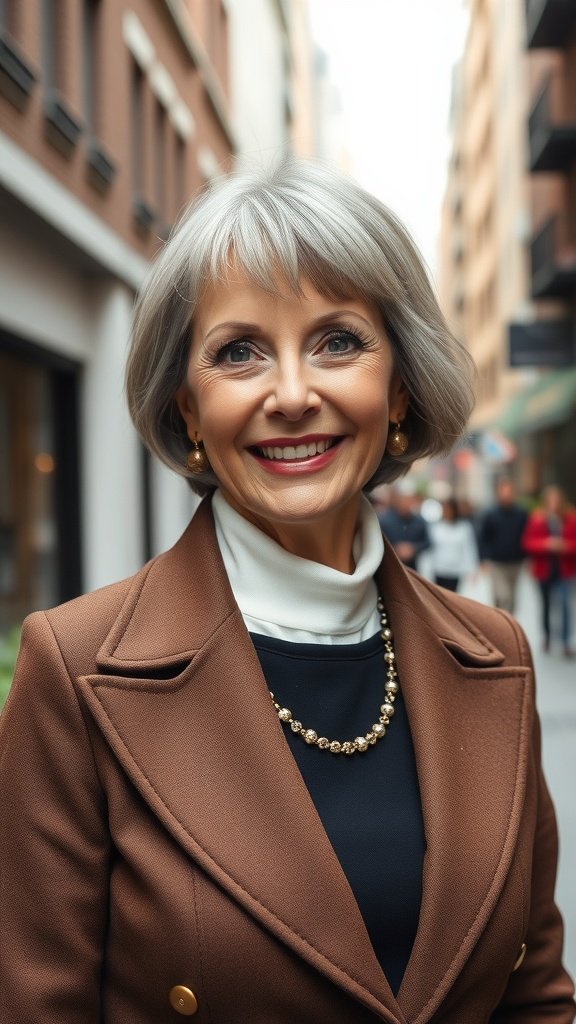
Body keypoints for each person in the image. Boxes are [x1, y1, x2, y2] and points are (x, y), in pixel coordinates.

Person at [1, 161, 574, 1024]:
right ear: (189, 409)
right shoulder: (75, 670)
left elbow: (534, 994)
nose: (294, 394)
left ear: (401, 387)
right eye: (239, 352)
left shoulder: (499, 655)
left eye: (338, 340)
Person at [523, 485, 576, 658]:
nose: (553, 504)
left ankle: (566, 641)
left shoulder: (570, 518)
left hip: (564, 570)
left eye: (556, 500)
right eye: (550, 500)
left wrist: (565, 547)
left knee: (564, 605)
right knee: (545, 605)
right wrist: (546, 544)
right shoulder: (537, 518)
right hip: (544, 570)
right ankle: (547, 636)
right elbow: (528, 542)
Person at [478, 479, 527, 614]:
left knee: (511, 598)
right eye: (503, 492)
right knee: (502, 595)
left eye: (509, 492)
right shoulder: (491, 514)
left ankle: (508, 625)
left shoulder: (521, 514)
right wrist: (483, 559)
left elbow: (526, 536)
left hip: (516, 562)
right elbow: (483, 538)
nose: (506, 495)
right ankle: (502, 623)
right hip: (496, 562)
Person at [428, 497, 478, 592]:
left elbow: (469, 549)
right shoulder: (435, 528)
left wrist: (472, 570)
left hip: (455, 571)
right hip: (439, 569)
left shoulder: (464, 528)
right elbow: (430, 549)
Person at [377, 481, 430, 570]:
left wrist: (413, 548)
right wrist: (395, 549)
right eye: (404, 500)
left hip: (412, 568)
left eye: (409, 500)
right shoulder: (384, 520)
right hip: (389, 568)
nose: (406, 504)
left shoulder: (420, 522)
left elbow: (427, 543)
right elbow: (377, 543)